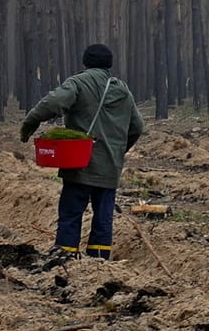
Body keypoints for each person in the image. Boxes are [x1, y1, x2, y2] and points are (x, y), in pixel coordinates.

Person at [20, 43, 145, 260]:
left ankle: (65, 256)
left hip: (80, 162)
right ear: (109, 64)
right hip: (110, 167)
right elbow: (137, 126)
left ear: (85, 62)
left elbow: (54, 101)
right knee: (104, 217)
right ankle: (99, 261)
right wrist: (118, 150)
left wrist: (31, 121)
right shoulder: (123, 89)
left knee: (71, 211)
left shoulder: (79, 82)